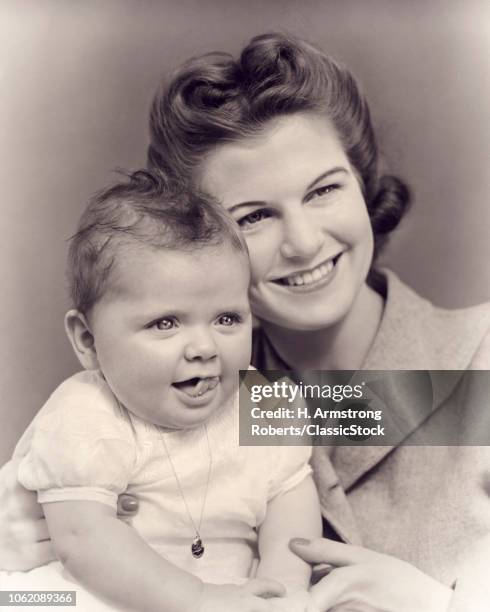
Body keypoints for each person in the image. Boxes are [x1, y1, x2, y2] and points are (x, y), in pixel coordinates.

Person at [1, 31, 489, 611]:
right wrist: (19, 562)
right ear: (201, 243)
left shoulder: (478, 354)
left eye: (324, 190)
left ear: (363, 186)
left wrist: (442, 604)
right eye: (254, 216)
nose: (305, 243)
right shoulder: (163, 395)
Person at [0, 170, 322, 612]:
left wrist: (282, 588)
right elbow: (83, 539)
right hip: (101, 592)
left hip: (231, 592)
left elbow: (291, 498)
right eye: (164, 323)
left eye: (227, 319)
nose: (205, 348)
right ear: (88, 340)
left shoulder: (263, 400)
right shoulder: (85, 414)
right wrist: (198, 600)